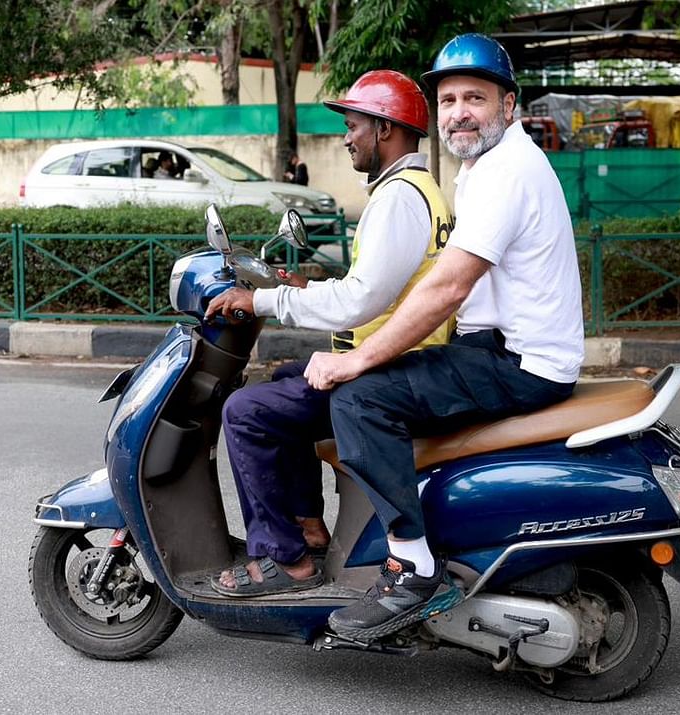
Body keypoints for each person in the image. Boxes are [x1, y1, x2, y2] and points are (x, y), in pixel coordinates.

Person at [303, 33, 585, 642]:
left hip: (521, 362)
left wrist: (359, 361)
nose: (459, 111)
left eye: (475, 98)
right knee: (380, 377)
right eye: (449, 98)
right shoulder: (482, 167)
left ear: (508, 106)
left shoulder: (505, 170)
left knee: (360, 397)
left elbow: (448, 288)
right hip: (500, 348)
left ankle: (413, 562)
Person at [202, 69, 455, 597]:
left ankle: (284, 559)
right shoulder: (420, 189)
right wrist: (309, 285)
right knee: (282, 379)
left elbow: (364, 299)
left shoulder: (397, 198)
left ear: (385, 130)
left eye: (355, 125)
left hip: (389, 370)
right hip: (404, 359)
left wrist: (265, 299)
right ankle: (308, 525)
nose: (346, 138)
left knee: (244, 413)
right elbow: (379, 286)